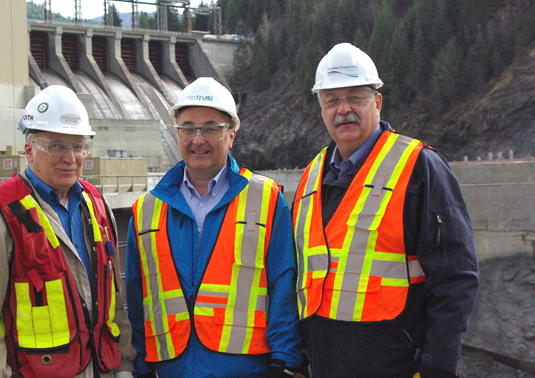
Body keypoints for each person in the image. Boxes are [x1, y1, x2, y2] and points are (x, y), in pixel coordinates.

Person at [292, 43, 479, 377]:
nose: (343, 109)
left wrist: (438, 364)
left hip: (396, 365)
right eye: (332, 99)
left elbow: (456, 277)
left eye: (355, 96)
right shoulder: (311, 177)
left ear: (377, 102)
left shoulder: (419, 167)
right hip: (325, 365)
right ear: (321, 107)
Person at [0, 85, 135, 377]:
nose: (70, 157)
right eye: (57, 145)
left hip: (104, 369)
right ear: (29, 151)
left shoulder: (95, 205)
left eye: (78, 146)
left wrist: (124, 365)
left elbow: (114, 299)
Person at [126, 77, 304, 377]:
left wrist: (284, 361)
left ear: (231, 135)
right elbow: (137, 294)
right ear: (177, 133)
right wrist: (140, 365)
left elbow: (283, 285)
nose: (198, 139)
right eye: (187, 128)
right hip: (174, 370)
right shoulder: (147, 210)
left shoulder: (266, 200)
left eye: (211, 128)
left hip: (248, 370)